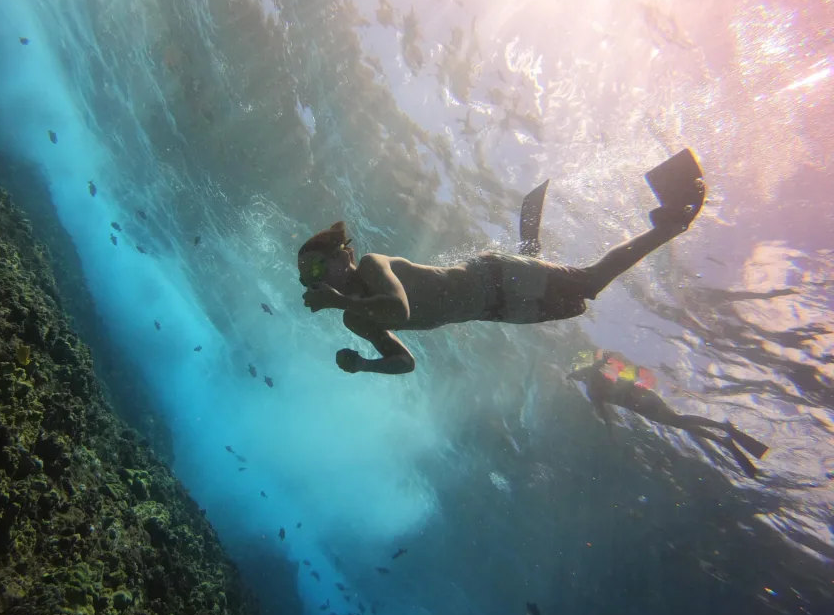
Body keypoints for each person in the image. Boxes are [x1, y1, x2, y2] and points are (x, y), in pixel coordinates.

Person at [297, 149, 706, 376]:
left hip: (492, 276)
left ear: (344, 256)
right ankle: (529, 249)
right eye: (305, 277)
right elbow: (405, 361)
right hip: (495, 310)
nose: (311, 280)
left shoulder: (371, 264)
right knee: (578, 305)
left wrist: (338, 302)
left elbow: (398, 308)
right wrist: (364, 365)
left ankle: (673, 222)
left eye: (316, 269)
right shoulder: (356, 320)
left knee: (589, 285)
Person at [568, 350, 770, 478]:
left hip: (641, 402)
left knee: (679, 421)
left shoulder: (592, 388)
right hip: (643, 399)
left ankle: (722, 432)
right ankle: (722, 437)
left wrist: (610, 431)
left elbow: (605, 415)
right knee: (679, 422)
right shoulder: (594, 384)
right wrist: (609, 429)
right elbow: (605, 414)